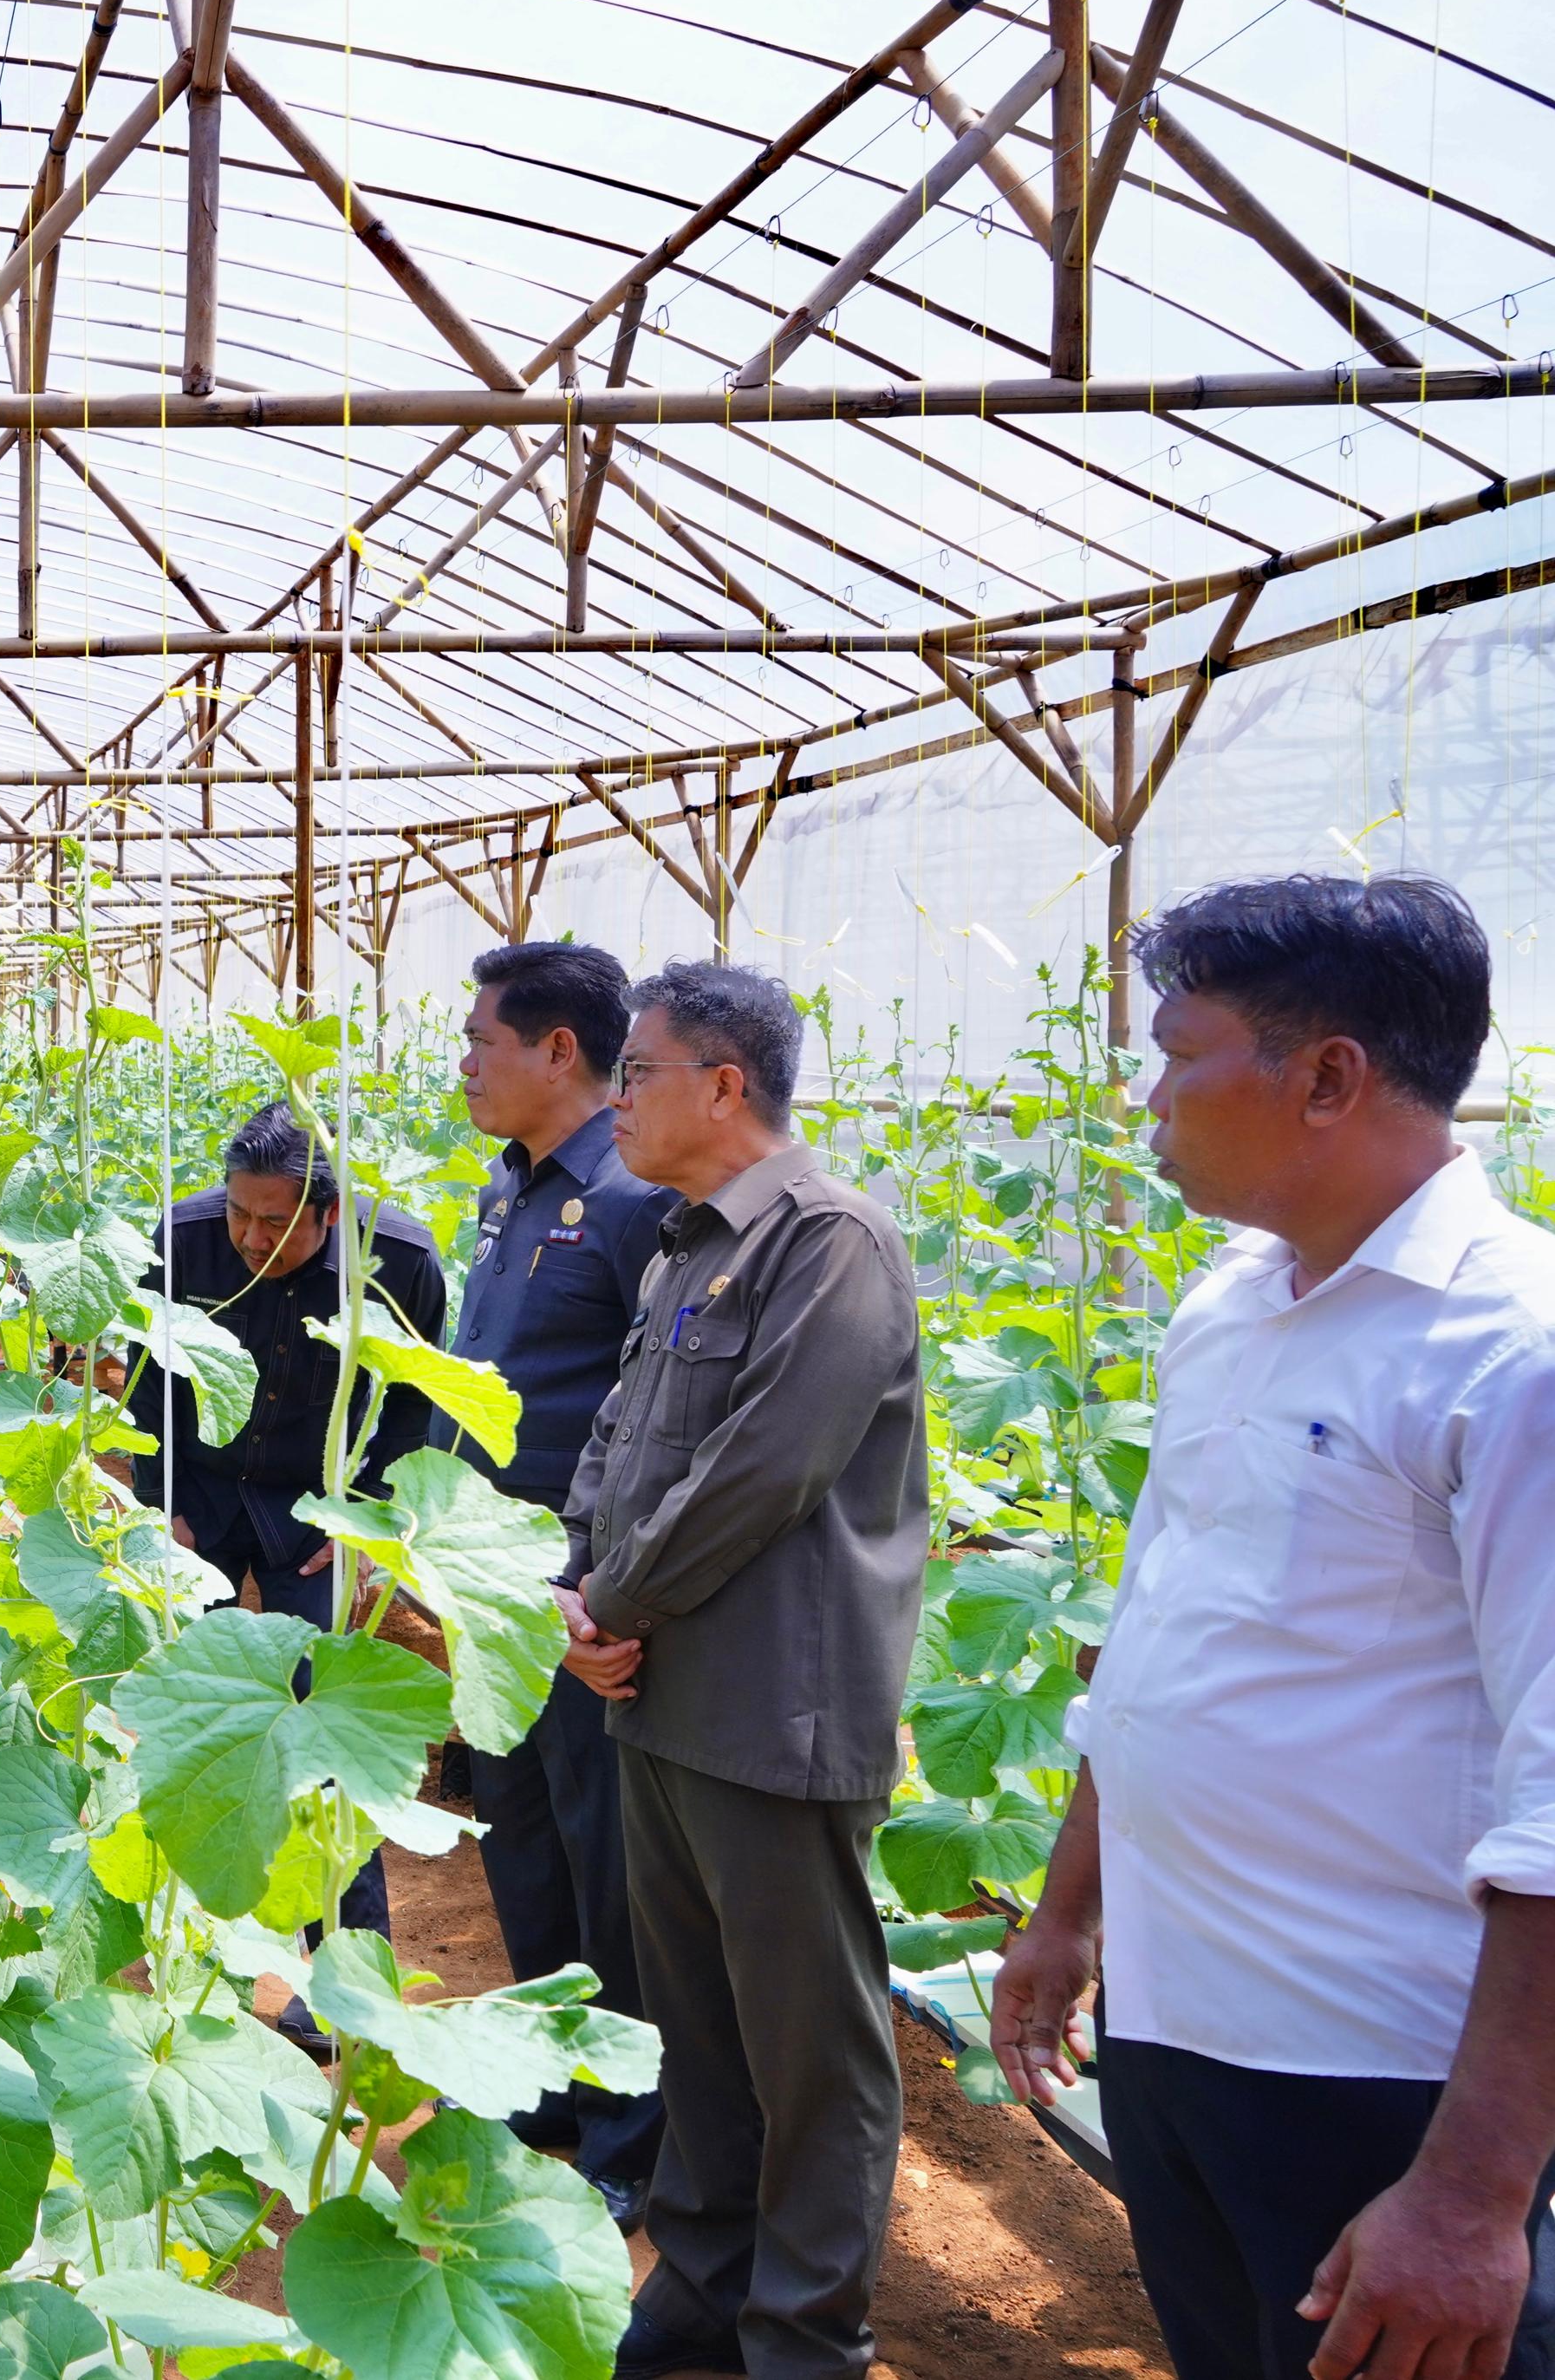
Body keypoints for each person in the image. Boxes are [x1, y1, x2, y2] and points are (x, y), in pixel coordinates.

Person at [992, 876, 1555, 2380]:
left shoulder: (1511, 1347)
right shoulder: (1228, 1303)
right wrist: (1068, 1909)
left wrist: (1472, 2189)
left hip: (1379, 2078)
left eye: (1183, 1054)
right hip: (1179, 2033)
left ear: (1327, 1076)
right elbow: (1164, 1628)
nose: (1152, 1095)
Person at [558, 962, 926, 2380]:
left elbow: (763, 1466)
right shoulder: (675, 1248)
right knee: (695, 2025)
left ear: (723, 1082)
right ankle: (704, 2285)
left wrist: (617, 1599)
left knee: (809, 2049)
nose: (615, 1101)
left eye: (633, 1072)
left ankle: (805, 2330)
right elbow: (615, 1439)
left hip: (777, 1708)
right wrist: (575, 1591)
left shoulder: (828, 1240)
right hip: (658, 1699)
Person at [127, 1098, 445, 2054]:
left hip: (319, 1513)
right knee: (194, 1716)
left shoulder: (400, 1263)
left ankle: (347, 1980)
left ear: (329, 1212)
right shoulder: (181, 1237)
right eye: (238, 1214)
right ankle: (190, 1960)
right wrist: (161, 1497)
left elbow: (411, 1400)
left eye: (276, 1222)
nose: (250, 1236)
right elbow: (151, 1374)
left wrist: (367, 1522)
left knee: (326, 1728)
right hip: (206, 1500)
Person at [441, 941, 675, 2231]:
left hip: (583, 1600)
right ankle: (550, 2082)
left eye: (483, 1040)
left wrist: (612, 1584)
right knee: (521, 1841)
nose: (468, 1063)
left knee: (607, 1863)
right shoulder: (514, 1185)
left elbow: (664, 1407)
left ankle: (634, 2130)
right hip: (496, 1589)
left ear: (558, 1051)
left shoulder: (635, 1195)